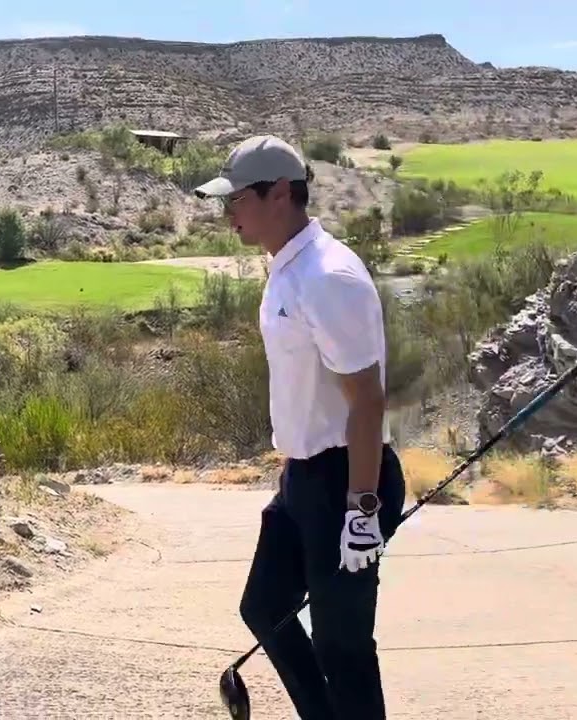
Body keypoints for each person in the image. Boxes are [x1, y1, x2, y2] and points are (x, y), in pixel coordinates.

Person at [194, 135, 407, 720]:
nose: (228, 212)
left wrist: (361, 510)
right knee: (265, 607)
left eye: (236, 199)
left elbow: (366, 400)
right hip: (304, 477)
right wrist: (292, 471)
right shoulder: (287, 270)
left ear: (281, 193)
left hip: (348, 480)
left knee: (344, 646)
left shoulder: (328, 276)